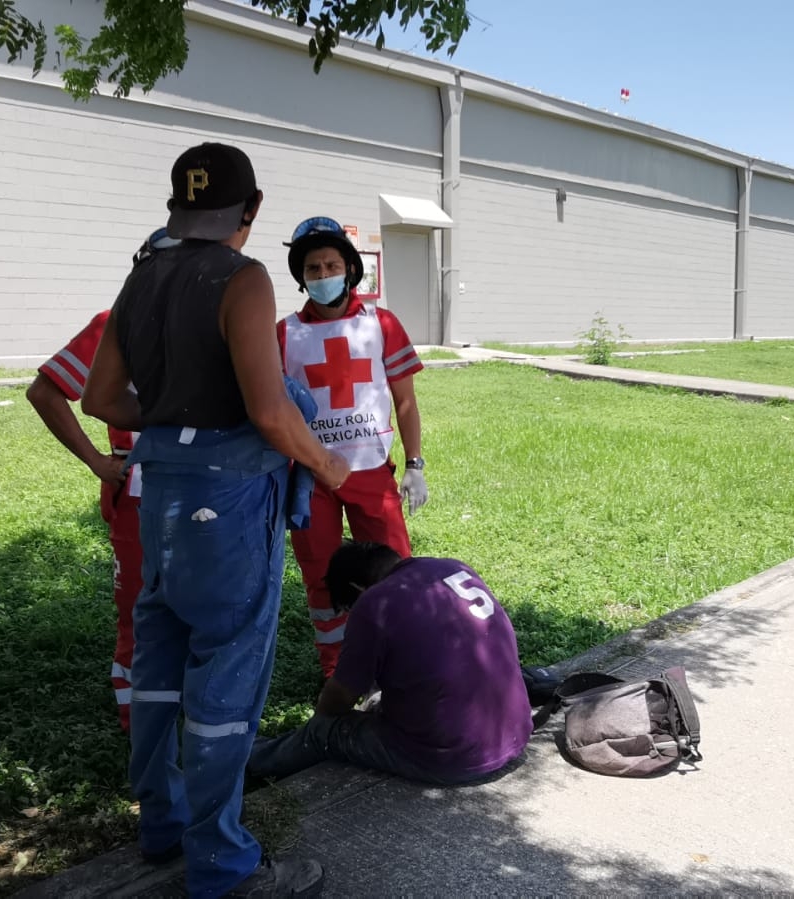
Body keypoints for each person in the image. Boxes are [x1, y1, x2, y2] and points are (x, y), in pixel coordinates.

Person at [81, 142, 349, 899]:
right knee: (226, 680)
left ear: (177, 205)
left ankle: (159, 823)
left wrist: (170, 422)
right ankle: (224, 864)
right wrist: (328, 467)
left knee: (159, 669)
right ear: (250, 210)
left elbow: (99, 398)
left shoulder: (139, 276)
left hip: (157, 494)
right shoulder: (244, 277)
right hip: (228, 507)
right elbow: (268, 412)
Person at [25, 227, 178, 732]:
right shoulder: (113, 326)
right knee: (138, 608)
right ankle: (137, 725)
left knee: (198, 606)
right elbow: (45, 392)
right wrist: (95, 460)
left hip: (206, 492)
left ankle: (191, 714)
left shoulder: (216, 325)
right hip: (137, 498)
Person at [277, 217, 427, 679]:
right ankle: (338, 673)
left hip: (370, 471)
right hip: (310, 476)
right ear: (301, 277)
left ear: (351, 269)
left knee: (390, 569)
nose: (323, 276)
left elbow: (404, 401)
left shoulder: (380, 323)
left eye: (331, 265)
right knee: (322, 576)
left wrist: (415, 465)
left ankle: (403, 663)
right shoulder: (283, 333)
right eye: (313, 269)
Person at [247, 541, 532, 785]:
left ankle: (249, 761)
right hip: (515, 732)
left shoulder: (375, 603)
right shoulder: (453, 568)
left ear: (358, 589)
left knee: (325, 731)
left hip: (452, 756)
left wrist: (324, 718)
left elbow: (338, 700)